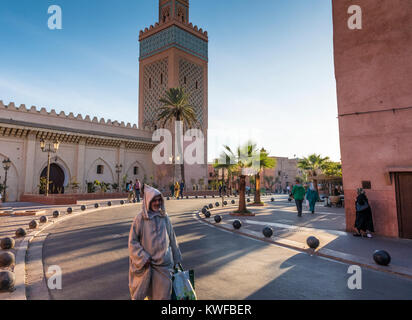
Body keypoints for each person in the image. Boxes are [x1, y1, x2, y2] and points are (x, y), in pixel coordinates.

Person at [128, 185, 182, 300]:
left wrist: (176, 260)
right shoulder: (140, 219)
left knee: (164, 297)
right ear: (148, 201)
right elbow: (132, 242)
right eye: (154, 200)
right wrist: (143, 257)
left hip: (164, 267)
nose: (157, 203)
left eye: (159, 200)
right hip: (147, 267)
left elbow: (172, 238)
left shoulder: (164, 217)